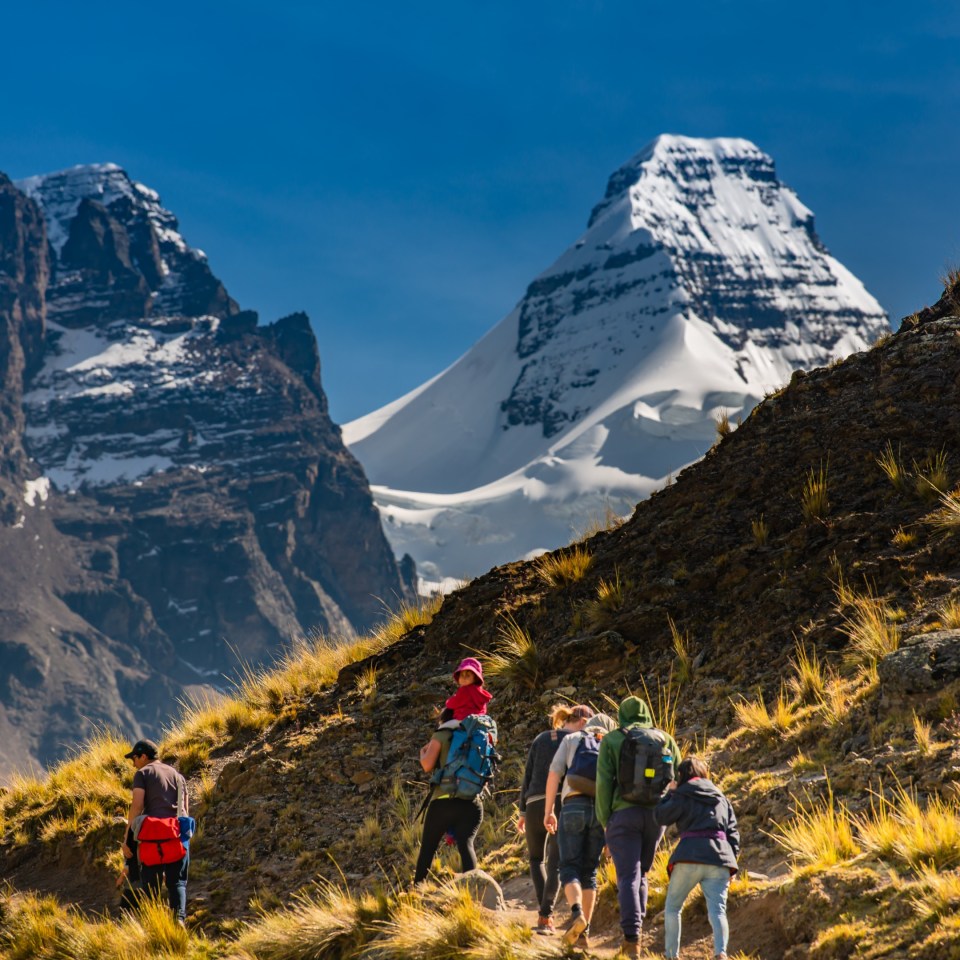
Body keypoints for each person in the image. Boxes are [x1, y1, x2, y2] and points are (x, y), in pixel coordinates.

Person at [596, 696, 682, 958]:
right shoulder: (665, 738)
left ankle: (632, 939)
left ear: (621, 715)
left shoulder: (611, 740)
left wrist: (605, 822)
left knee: (627, 877)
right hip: (656, 817)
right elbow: (680, 777)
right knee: (641, 873)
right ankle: (637, 929)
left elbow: (603, 785)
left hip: (623, 817)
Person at [517, 704, 595, 935]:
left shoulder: (540, 738)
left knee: (535, 859)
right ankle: (545, 915)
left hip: (532, 803)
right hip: (560, 803)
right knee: (556, 863)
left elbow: (527, 775)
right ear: (582, 721)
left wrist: (522, 812)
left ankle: (545, 916)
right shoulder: (579, 740)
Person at [543, 712, 617, 949]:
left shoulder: (573, 739)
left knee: (569, 867)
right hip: (601, 811)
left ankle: (577, 915)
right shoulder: (613, 745)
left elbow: (554, 773)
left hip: (573, 805)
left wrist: (549, 811)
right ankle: (585, 934)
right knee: (590, 872)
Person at [655, 757, 740, 960]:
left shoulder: (682, 794)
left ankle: (671, 956)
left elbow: (660, 816)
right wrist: (732, 862)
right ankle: (720, 952)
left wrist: (670, 793)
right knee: (718, 910)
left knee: (673, 907)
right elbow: (733, 832)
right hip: (720, 857)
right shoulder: (720, 796)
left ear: (681, 776)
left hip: (689, 855)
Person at [122, 739, 190, 923]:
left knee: (151, 883)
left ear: (144, 756)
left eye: (134, 758)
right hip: (175, 836)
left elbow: (137, 807)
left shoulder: (142, 774)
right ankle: (179, 920)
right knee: (177, 882)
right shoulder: (177, 775)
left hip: (151, 838)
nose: (133, 763)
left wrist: (127, 837)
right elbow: (184, 810)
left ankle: (153, 923)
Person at [414, 709, 484, 883]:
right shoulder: (474, 734)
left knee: (428, 850)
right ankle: (474, 889)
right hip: (471, 802)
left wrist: (423, 753)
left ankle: (416, 892)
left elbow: (427, 765)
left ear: (444, 718)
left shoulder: (442, 733)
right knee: (466, 845)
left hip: (443, 802)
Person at [445, 657, 493, 721]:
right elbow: (483, 709)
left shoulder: (465, 690)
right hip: (477, 719)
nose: (464, 678)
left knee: (444, 727)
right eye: (462, 675)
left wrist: (448, 702)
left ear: (475, 678)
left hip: (463, 719)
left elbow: (455, 703)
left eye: (468, 675)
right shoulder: (479, 692)